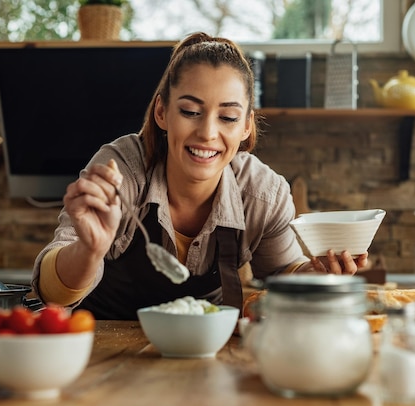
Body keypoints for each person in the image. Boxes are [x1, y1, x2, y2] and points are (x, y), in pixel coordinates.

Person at [31, 32, 368, 320]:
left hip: (206, 353)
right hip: (104, 350)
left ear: (247, 125)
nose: (207, 133)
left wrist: (319, 274)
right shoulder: (120, 171)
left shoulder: (262, 192)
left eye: (228, 117)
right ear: (162, 112)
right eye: (190, 112)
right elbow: (51, 294)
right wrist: (88, 250)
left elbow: (283, 275)